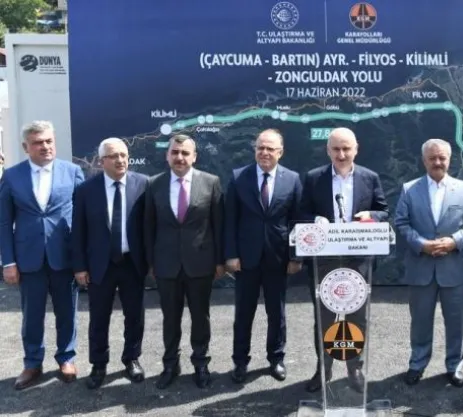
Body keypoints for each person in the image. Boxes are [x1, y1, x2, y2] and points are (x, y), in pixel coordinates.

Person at [299, 127, 388, 393]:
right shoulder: (314, 178)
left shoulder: (369, 178)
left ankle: (354, 368)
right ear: (328, 151)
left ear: (355, 150)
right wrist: (316, 219)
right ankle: (324, 368)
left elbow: (383, 211)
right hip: (323, 261)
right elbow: (301, 213)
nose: (341, 154)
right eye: (336, 149)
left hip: (358, 260)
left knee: (356, 317)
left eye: (346, 149)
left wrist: (370, 216)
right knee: (324, 318)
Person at [0, 120, 84, 390]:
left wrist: (81, 260)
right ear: (26, 147)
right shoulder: (12, 176)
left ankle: (66, 358)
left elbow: (82, 220)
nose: (45, 146)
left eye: (49, 141)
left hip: (64, 257)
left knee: (67, 312)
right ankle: (32, 363)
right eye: (38, 142)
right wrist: (8, 261)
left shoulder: (72, 172)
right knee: (32, 316)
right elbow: (4, 222)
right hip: (28, 259)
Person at [394, 138, 463, 388]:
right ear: (424, 161)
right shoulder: (409, 189)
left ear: (449, 159)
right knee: (420, 321)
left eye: (442, 157)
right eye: (432, 158)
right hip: (421, 267)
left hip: (453, 267)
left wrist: (454, 241)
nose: (437, 162)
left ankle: (455, 366)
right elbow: (401, 222)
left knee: (456, 322)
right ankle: (417, 363)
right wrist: (421, 244)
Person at [144, 134, 224, 389]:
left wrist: (219, 261)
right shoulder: (153, 184)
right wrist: (151, 262)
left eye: (185, 153)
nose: (180, 157)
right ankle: (170, 364)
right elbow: (148, 227)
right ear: (167, 155)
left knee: (200, 317)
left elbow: (218, 226)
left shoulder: (211, 182)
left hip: (200, 263)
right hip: (166, 265)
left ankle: (201, 363)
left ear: (194, 157)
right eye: (175, 152)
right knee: (170, 318)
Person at [224, 129, 303, 384]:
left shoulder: (292, 180)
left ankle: (276, 359)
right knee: (243, 314)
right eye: (260, 148)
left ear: (280, 152)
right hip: (245, 259)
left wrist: (296, 257)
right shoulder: (238, 178)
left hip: (278, 259)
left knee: (276, 314)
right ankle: (240, 361)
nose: (264, 152)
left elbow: (297, 221)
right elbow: (229, 220)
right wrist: (231, 255)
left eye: (270, 148)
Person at [71, 138, 149, 389]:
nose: (120, 160)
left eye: (124, 155)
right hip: (99, 265)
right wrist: (80, 267)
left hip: (132, 263)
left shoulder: (143, 184)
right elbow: (78, 231)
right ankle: (99, 363)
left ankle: (131, 358)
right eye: (114, 156)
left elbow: (150, 227)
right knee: (99, 317)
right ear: (101, 161)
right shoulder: (86, 190)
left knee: (134, 315)